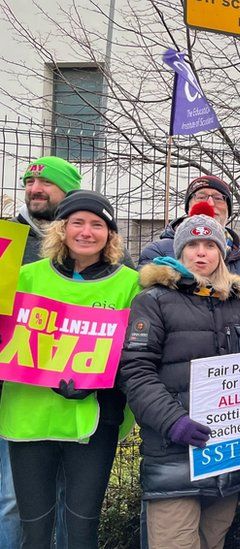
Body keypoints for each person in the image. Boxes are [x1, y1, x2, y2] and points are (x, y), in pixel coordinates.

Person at [120, 202, 240, 548]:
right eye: (192, 245)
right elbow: (136, 371)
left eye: (210, 245)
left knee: (213, 541)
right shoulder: (153, 301)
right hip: (174, 454)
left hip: (226, 455)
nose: (201, 252)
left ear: (222, 254)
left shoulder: (237, 304)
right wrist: (173, 421)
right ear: (179, 251)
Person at [0, 190, 140, 548]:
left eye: (98, 224)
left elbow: (138, 353)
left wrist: (101, 383)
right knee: (35, 532)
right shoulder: (23, 276)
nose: (87, 231)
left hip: (94, 422)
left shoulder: (130, 283)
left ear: (110, 235)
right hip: (29, 417)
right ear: (61, 229)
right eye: (77, 222)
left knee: (81, 531)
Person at [3, 155, 84, 548]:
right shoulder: (6, 239)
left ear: (68, 191)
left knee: (74, 501)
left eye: (46, 183)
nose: (35, 188)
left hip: (75, 394)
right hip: (17, 392)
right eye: (29, 182)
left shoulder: (89, 239)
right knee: (13, 500)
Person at [138, 174, 240, 332]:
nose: (210, 203)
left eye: (218, 198)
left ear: (228, 211)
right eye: (201, 196)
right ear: (188, 207)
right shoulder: (158, 252)